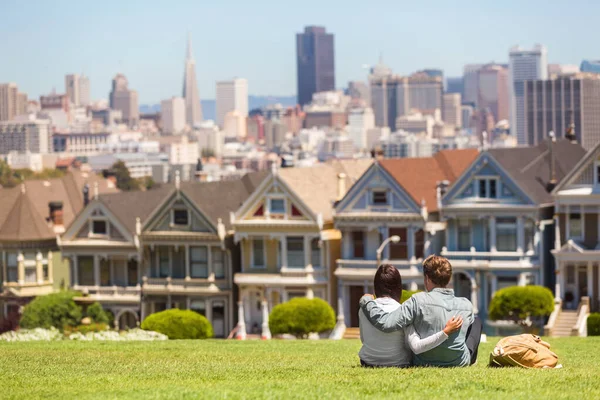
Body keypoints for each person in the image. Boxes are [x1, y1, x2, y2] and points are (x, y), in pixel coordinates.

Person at [360, 255, 482, 367]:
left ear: (427, 278)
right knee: (476, 321)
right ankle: (470, 359)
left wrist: (366, 301)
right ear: (448, 278)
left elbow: (385, 323)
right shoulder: (466, 304)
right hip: (458, 361)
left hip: (423, 361)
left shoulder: (417, 301)